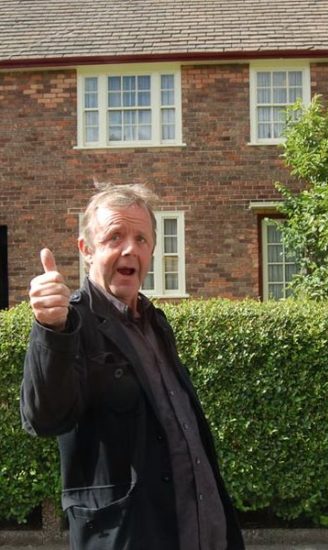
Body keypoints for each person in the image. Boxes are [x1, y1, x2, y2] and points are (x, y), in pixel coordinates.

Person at [20, 183, 244, 550]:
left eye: (142, 239)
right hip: (127, 537)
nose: (130, 249)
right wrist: (51, 330)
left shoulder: (156, 323)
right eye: (115, 237)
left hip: (200, 532)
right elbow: (44, 417)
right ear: (86, 249)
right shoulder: (70, 322)